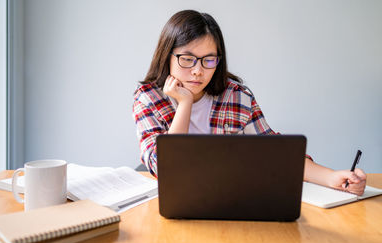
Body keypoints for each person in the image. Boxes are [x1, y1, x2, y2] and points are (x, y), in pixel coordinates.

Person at [132, 10, 366, 195]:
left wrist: (332, 178)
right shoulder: (148, 98)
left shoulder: (236, 97)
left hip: (227, 198)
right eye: (187, 59)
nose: (197, 71)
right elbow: (166, 168)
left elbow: (275, 152)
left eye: (208, 60)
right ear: (167, 56)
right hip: (174, 201)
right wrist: (184, 105)